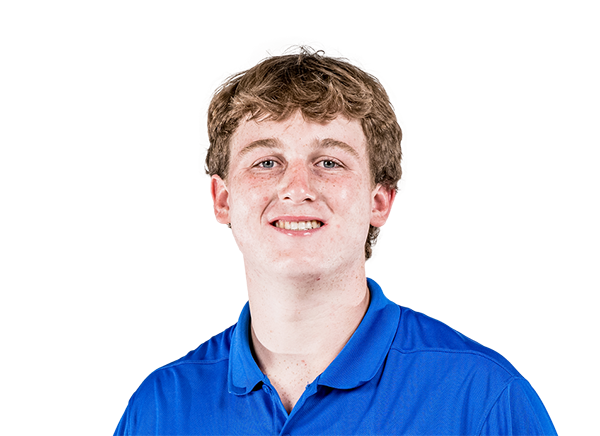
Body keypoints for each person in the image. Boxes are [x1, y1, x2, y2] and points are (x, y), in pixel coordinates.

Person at [114, 41, 557, 435]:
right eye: (266, 162)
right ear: (223, 200)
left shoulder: (483, 398)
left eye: (329, 162)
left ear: (379, 201)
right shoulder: (160, 408)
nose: (297, 187)